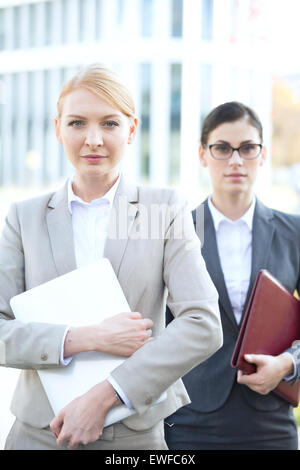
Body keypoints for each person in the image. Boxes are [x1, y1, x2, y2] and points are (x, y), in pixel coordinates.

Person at [1, 64, 222, 451]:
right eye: (76, 123)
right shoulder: (23, 217)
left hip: (132, 436)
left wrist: (108, 395)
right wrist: (87, 338)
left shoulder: (165, 209)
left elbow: (203, 323)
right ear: (58, 129)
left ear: (131, 129)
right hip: (38, 434)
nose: (93, 139)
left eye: (109, 123)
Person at [165, 101, 300, 450]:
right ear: (202, 155)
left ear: (263, 154)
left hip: (272, 418)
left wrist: (288, 363)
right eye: (223, 148)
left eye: (247, 148)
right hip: (190, 419)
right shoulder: (175, 231)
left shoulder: (294, 232)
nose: (236, 160)